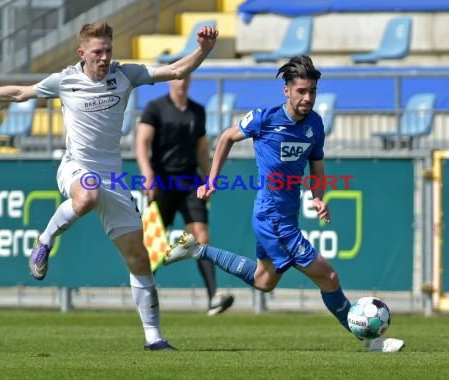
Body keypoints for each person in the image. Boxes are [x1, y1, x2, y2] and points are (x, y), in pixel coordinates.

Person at [0, 20, 219, 351]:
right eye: (97, 52)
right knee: (87, 194)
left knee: (139, 258)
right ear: (82, 53)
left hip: (113, 177)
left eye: (108, 50)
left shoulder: (125, 75)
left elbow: (176, 70)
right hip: (76, 168)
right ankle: (44, 241)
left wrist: (203, 50)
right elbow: (19, 92)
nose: (104, 57)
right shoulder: (65, 80)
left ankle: (154, 337)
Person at [163, 55, 405, 352]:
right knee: (328, 276)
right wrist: (212, 180)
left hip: (284, 215)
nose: (308, 97)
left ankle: (197, 249)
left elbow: (316, 165)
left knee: (264, 281)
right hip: (272, 215)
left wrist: (319, 197)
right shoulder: (265, 118)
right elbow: (227, 137)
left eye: (312, 91)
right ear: (287, 91)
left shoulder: (315, 124)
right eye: (301, 91)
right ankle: (371, 341)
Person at [135, 74, 235, 316]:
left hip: (190, 182)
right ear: (170, 80)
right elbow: (141, 142)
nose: (182, 81)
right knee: (153, 243)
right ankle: (144, 297)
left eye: (186, 78)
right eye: (178, 77)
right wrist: (147, 173)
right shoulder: (155, 108)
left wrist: (208, 178)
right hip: (162, 181)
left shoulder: (197, 111)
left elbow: (202, 148)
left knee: (201, 237)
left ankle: (213, 297)